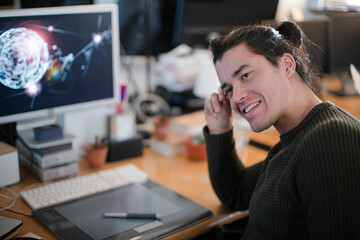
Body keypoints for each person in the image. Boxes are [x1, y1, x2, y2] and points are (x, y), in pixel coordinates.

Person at [203, 20, 360, 239]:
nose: (236, 97)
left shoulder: (331, 140)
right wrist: (220, 129)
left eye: (246, 75)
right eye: (228, 89)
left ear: (286, 65)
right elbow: (235, 192)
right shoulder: (292, 142)